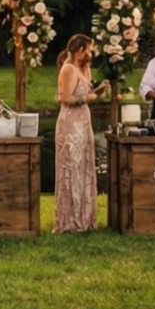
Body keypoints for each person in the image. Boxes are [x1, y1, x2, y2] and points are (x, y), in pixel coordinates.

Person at [54, 33, 111, 232]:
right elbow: (65, 98)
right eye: (89, 49)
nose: (91, 53)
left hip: (84, 122)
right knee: (72, 166)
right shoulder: (68, 69)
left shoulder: (84, 68)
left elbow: (88, 93)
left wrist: (98, 91)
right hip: (70, 124)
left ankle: (85, 218)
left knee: (85, 167)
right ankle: (70, 219)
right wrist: (89, 98)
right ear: (79, 51)